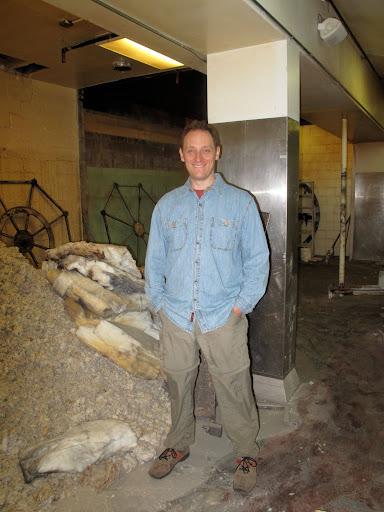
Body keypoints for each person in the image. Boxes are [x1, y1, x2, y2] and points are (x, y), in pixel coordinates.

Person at [144, 120, 269, 493]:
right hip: (178, 316)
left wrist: (240, 306)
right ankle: (177, 445)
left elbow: (258, 260)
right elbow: (154, 261)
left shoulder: (241, 203)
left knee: (234, 386)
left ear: (217, 152)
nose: (198, 157)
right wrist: (159, 305)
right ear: (182, 156)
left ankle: (246, 451)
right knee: (179, 384)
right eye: (191, 150)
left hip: (223, 316)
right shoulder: (167, 206)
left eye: (205, 149)